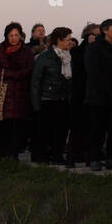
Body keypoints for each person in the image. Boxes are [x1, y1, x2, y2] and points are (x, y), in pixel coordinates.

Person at [0, 22, 34, 160]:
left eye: (16, 35)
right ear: (6, 36)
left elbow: (29, 69)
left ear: (21, 36)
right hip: (1, 93)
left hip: (20, 94)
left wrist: (11, 74)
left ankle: (13, 154)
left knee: (16, 126)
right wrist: (13, 74)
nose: (13, 38)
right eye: (10, 35)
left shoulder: (26, 51)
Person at [30, 27, 74, 165]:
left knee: (61, 130)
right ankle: (42, 156)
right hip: (47, 98)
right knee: (44, 130)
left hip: (62, 98)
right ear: (59, 40)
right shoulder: (44, 57)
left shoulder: (68, 57)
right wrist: (36, 103)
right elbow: (36, 81)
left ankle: (57, 156)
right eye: (67, 39)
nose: (70, 42)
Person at [83, 19, 112, 170]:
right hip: (97, 95)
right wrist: (106, 88)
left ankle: (111, 158)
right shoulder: (94, 48)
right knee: (97, 129)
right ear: (105, 30)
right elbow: (92, 71)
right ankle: (95, 159)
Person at [65, 23, 99, 166]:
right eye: (96, 35)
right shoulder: (78, 51)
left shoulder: (100, 49)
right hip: (79, 94)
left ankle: (88, 155)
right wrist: (90, 47)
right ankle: (72, 155)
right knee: (77, 127)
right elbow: (81, 65)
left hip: (93, 93)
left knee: (91, 127)